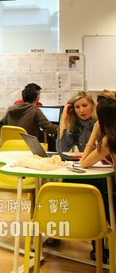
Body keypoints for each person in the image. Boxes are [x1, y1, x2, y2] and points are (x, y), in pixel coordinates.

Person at [80, 96, 116, 262]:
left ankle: (100, 248)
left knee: (98, 194)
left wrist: (94, 134)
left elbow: (84, 162)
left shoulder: (109, 140)